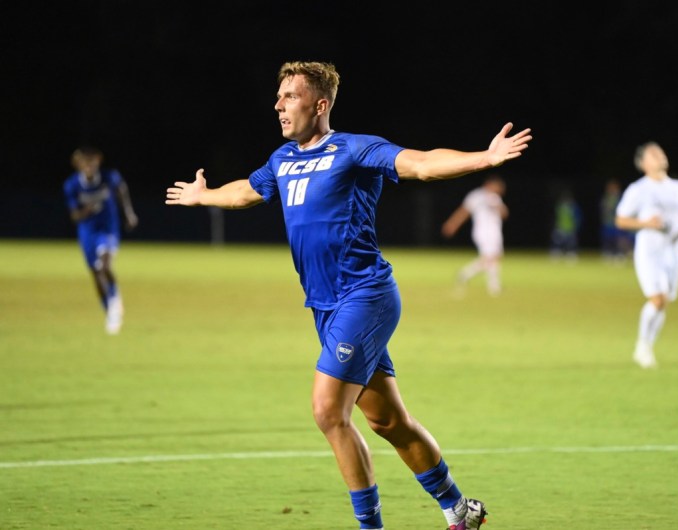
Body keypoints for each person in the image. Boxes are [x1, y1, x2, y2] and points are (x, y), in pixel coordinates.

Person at [166, 61, 532, 530]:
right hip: (326, 306)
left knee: (327, 411)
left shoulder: (355, 149)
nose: (278, 105)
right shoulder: (283, 159)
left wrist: (483, 158)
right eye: (278, 97)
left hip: (366, 295)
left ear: (320, 105)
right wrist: (205, 195)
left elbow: (419, 163)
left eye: (290, 96)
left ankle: (369, 526)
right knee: (387, 422)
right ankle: (459, 509)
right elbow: (245, 193)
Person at [615, 142, 678, 369]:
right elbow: (621, 219)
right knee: (658, 299)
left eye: (661, 151)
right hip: (649, 252)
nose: (660, 155)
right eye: (653, 154)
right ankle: (642, 345)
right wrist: (645, 223)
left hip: (673, 251)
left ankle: (647, 347)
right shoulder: (638, 189)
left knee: (665, 302)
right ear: (644, 164)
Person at [63, 146, 138, 334]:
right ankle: (109, 310)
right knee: (95, 272)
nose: (89, 166)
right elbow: (74, 216)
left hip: (108, 229)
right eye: (85, 162)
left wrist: (128, 214)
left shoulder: (109, 177)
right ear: (78, 165)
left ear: (98, 161)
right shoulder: (72, 185)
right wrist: (86, 211)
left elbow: (121, 190)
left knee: (104, 266)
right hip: (87, 232)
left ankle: (115, 299)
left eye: (92, 161)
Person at [441, 173, 509, 296]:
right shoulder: (476, 196)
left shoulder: (495, 198)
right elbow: (464, 211)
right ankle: (492, 286)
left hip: (495, 231)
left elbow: (504, 214)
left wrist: (497, 204)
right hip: (483, 232)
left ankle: (467, 275)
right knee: (490, 257)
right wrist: (452, 224)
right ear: (489, 184)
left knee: (493, 258)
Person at [599, 179, 628, 261]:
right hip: (608, 222)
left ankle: (620, 254)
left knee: (619, 238)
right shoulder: (606, 197)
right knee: (608, 238)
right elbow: (602, 208)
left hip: (617, 222)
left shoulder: (620, 197)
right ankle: (608, 253)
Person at [549, 189, 582, 262]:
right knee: (557, 241)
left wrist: (576, 226)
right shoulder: (559, 206)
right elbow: (556, 217)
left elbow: (577, 217)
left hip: (570, 228)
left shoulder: (573, 207)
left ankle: (571, 255)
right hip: (560, 227)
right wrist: (555, 226)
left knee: (571, 243)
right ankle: (556, 254)